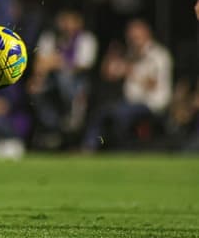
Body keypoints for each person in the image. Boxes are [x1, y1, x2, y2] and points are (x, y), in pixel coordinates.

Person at [82, 19, 173, 151]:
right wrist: (112, 55)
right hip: (129, 102)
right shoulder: (130, 54)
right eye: (130, 38)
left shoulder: (159, 55)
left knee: (120, 115)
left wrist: (131, 71)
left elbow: (152, 85)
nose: (133, 41)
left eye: (136, 38)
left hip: (152, 104)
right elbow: (107, 73)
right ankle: (88, 147)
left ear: (147, 35)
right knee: (102, 111)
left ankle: (123, 149)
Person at [26, 9, 98, 149]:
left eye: (70, 21)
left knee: (64, 77)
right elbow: (40, 62)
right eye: (64, 21)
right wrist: (37, 78)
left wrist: (57, 62)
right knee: (35, 90)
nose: (66, 25)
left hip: (76, 84)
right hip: (51, 82)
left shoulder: (86, 39)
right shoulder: (50, 37)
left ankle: (72, 115)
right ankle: (55, 125)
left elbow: (82, 65)